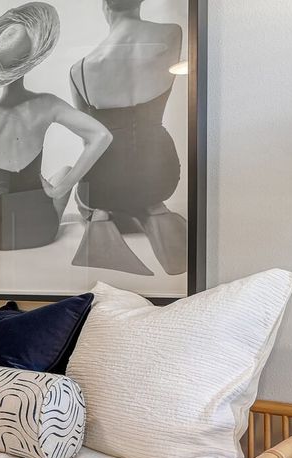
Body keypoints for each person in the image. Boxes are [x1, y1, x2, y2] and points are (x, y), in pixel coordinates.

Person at [0, 2, 112, 252]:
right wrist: (60, 189)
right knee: (66, 169)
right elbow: (101, 135)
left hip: (0, 237)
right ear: (30, 60)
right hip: (43, 229)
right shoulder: (46, 104)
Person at [69, 0, 187, 275]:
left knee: (86, 193)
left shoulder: (80, 68)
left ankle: (101, 214)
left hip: (103, 185)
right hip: (161, 174)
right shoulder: (172, 34)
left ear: (104, 6)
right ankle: (153, 207)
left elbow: (90, 139)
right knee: (147, 190)